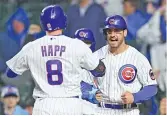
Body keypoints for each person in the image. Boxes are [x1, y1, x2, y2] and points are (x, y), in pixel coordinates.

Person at [5, 5, 106, 115]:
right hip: (70, 104)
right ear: (64, 21)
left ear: (43, 23)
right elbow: (100, 70)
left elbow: (10, 73)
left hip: (43, 104)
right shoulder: (76, 45)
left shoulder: (32, 47)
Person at [83, 15, 157, 115]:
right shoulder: (96, 56)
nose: (113, 35)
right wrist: (91, 94)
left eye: (117, 31)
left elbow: (152, 87)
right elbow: (83, 82)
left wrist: (135, 97)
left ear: (125, 32)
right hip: (102, 111)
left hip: (128, 111)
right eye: (109, 31)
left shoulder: (137, 57)